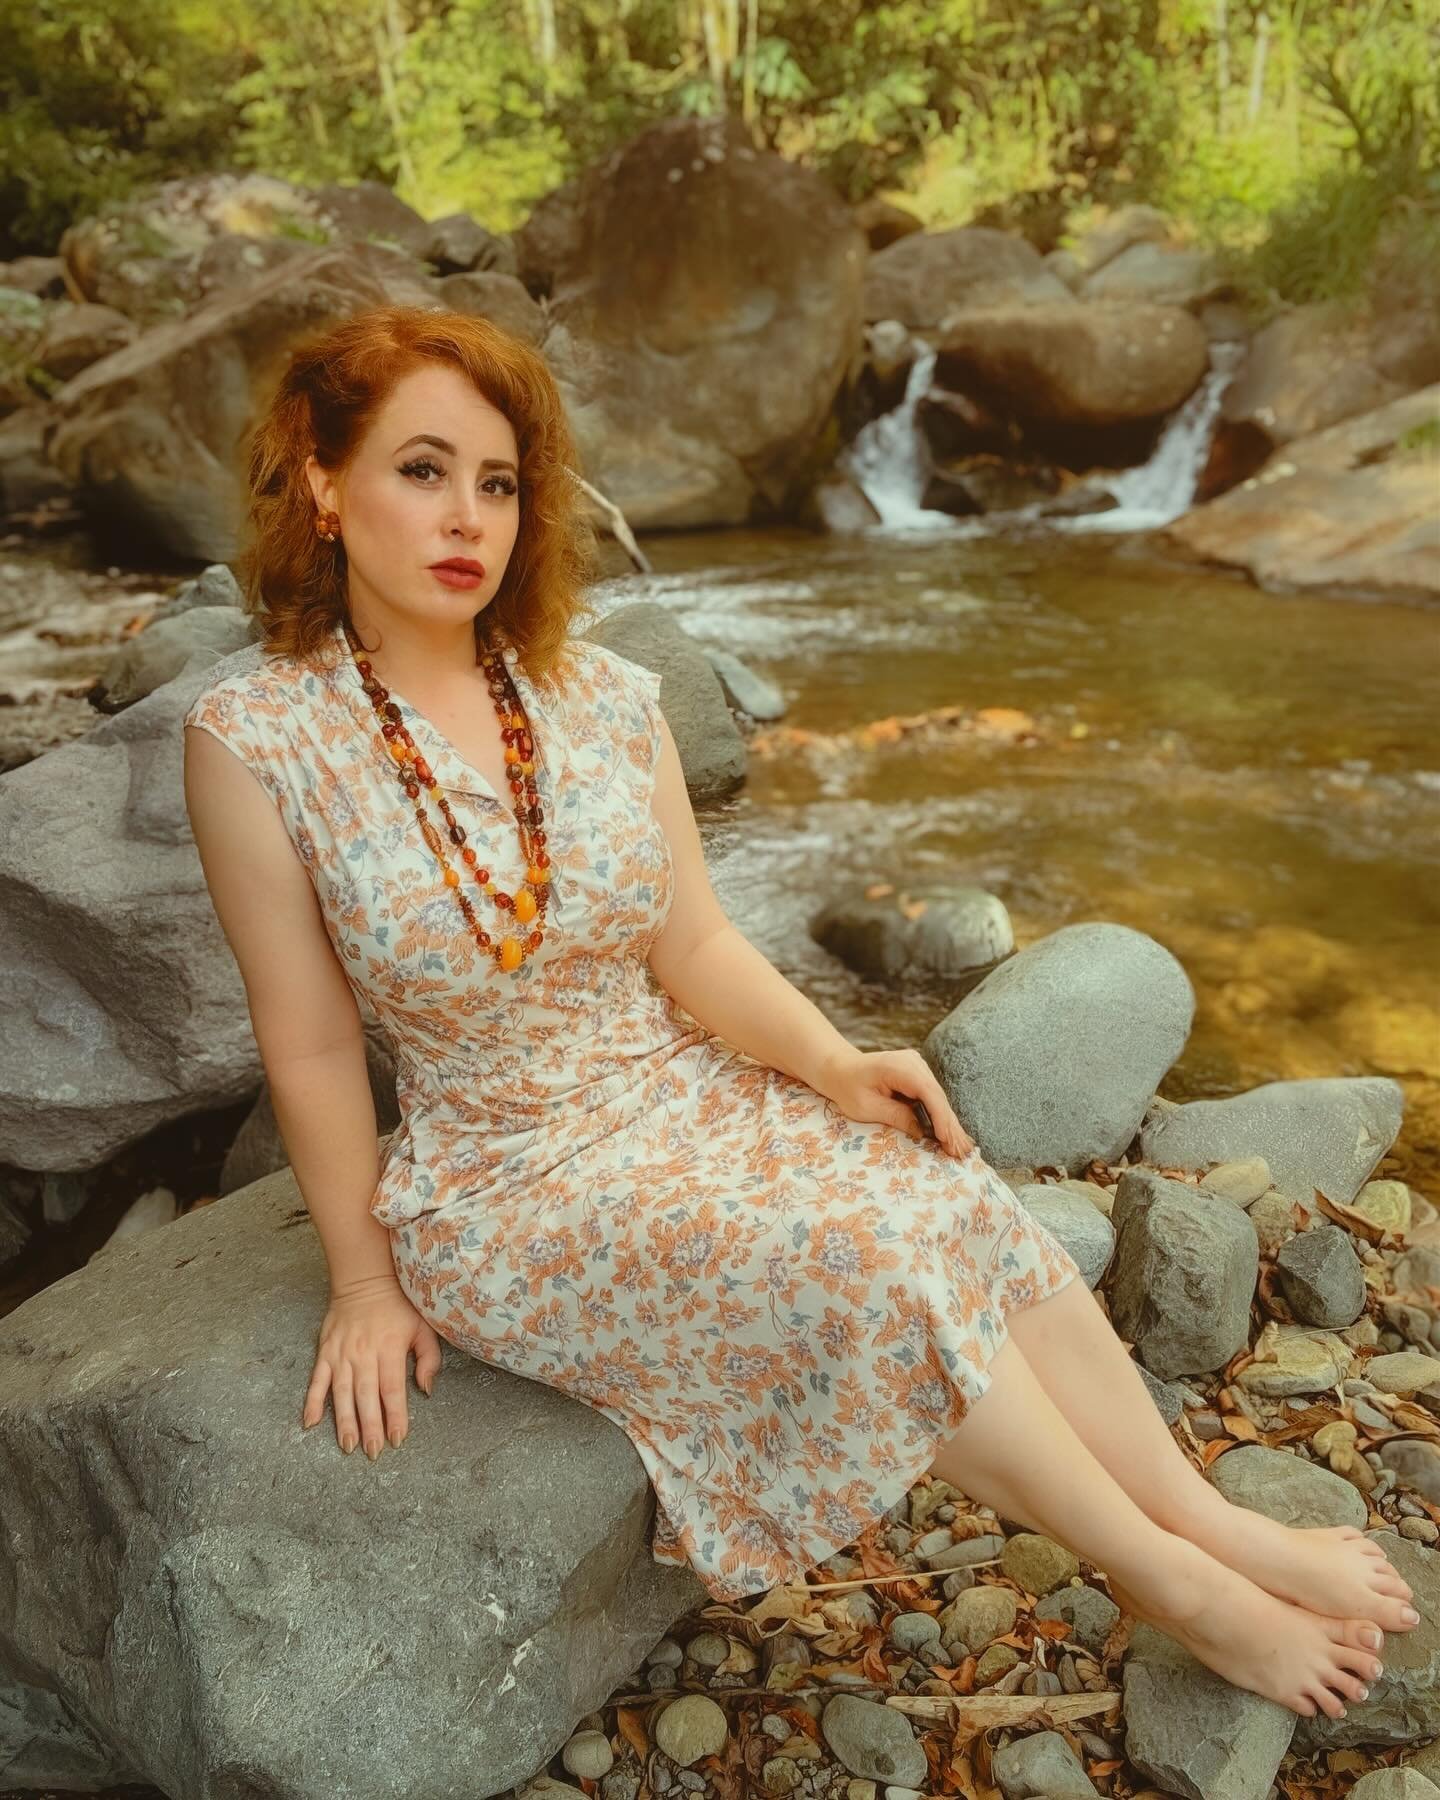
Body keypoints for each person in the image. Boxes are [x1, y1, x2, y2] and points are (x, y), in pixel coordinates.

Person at [183, 303, 1416, 1722]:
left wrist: (833, 1059)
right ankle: (1172, 1581)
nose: (468, 515)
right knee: (868, 1270)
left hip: (682, 1088)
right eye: (421, 469)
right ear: (325, 484)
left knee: (949, 1196)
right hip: (506, 1176)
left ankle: (1212, 1520)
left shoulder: (599, 693)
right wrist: (360, 1278)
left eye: (500, 481)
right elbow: (315, 1040)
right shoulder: (258, 740)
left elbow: (695, 943)